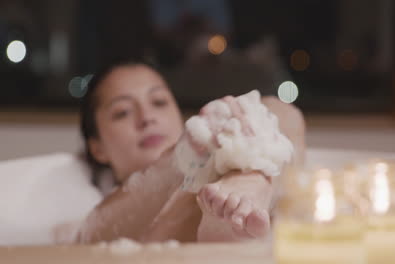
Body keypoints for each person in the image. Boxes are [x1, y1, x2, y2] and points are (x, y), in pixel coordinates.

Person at [75, 58, 306, 243]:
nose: (147, 118)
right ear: (97, 148)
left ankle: (251, 179)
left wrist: (245, 176)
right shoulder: (95, 219)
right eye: (122, 112)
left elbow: (287, 116)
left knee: (280, 111)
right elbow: (89, 237)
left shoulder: (221, 189)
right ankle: (249, 176)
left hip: (241, 207)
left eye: (159, 102)